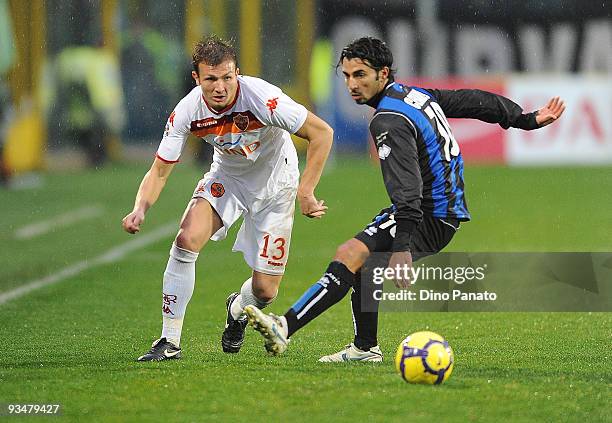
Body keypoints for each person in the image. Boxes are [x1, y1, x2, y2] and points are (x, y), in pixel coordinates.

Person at [245, 36, 565, 361]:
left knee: (350, 252)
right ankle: (365, 348)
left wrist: (402, 248)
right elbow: (473, 100)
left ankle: (283, 327)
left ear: (383, 73)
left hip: (425, 212)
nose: (351, 84)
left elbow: (406, 188)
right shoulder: (413, 95)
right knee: (365, 265)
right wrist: (522, 119)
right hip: (443, 212)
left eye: (360, 75)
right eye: (346, 75)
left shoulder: (388, 121)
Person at [122, 36, 333, 361]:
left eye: (227, 77)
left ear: (237, 73)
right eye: (211, 79)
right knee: (186, 238)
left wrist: (306, 191)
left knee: (264, 292)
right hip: (228, 179)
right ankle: (169, 340)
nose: (220, 87)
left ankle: (236, 309)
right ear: (197, 78)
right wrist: (140, 208)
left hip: (277, 186)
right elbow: (160, 171)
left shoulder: (263, 98)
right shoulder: (187, 111)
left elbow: (322, 133)